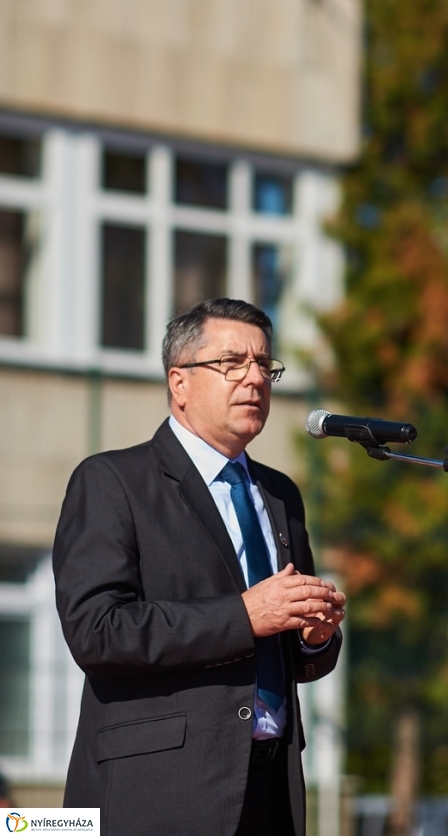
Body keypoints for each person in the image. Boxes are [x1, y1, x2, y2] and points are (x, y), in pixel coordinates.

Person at [53, 298, 345, 836]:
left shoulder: (281, 495)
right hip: (163, 788)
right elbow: (97, 632)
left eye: (265, 365)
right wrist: (244, 615)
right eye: (232, 363)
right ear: (179, 383)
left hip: (272, 785)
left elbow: (292, 656)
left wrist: (314, 638)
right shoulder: (112, 481)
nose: (255, 379)